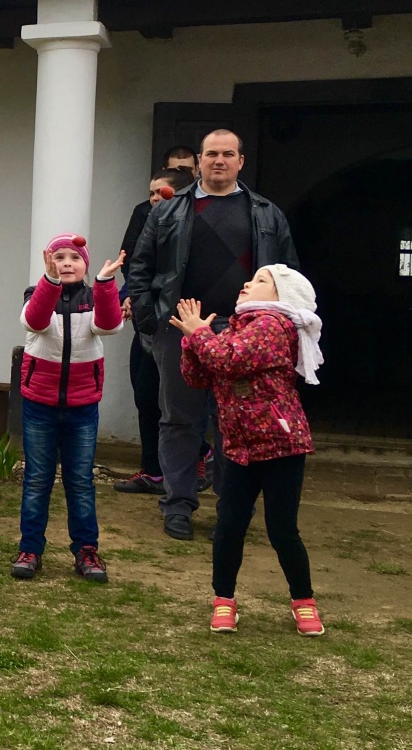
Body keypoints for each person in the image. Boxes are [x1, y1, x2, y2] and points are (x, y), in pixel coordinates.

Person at [127, 129, 298, 542]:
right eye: (211, 154)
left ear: (241, 161)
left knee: (234, 421)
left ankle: (231, 509)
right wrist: (151, 320)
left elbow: (287, 274)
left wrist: (283, 325)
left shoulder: (267, 213)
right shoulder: (167, 211)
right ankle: (178, 505)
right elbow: (141, 267)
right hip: (180, 327)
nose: (219, 160)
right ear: (199, 161)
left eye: (228, 154)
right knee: (178, 419)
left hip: (243, 332)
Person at [171, 265, 325, 636]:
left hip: (281, 446)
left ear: (281, 295)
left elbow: (229, 360)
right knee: (229, 526)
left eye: (260, 281)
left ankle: (303, 601)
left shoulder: (273, 325)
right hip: (240, 447)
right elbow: (199, 376)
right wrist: (192, 341)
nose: (247, 283)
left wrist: (201, 334)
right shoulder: (236, 328)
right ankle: (223, 600)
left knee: (282, 529)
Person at [12, 236, 125, 583]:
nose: (66, 263)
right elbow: (34, 321)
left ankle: (86, 550)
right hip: (39, 405)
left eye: (74, 258)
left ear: (85, 265)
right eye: (58, 257)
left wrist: (105, 284)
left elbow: (109, 325)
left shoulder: (94, 297)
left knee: (80, 481)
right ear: (49, 263)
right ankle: (30, 549)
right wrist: (49, 282)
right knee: (37, 480)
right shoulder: (36, 293)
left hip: (82, 407)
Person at [114, 167, 193, 495]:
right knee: (145, 395)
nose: (153, 199)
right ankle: (153, 472)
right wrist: (131, 297)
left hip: (179, 324)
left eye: (160, 192)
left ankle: (194, 463)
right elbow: (135, 267)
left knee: (174, 403)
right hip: (148, 324)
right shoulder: (146, 220)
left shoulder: (192, 227)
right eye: (150, 193)